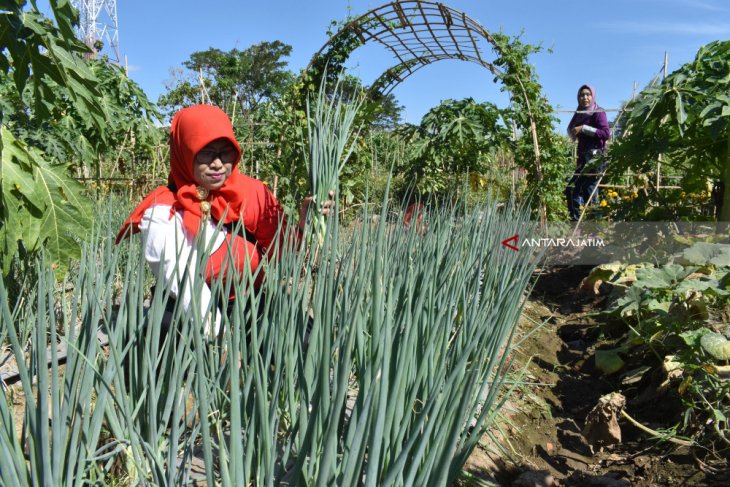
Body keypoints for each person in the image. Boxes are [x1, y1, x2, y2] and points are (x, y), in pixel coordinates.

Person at [117, 104, 326, 335]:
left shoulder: (252, 193)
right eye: (206, 152)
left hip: (249, 303)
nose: (217, 163)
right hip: (186, 310)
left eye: (225, 151)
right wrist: (221, 341)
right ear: (185, 151)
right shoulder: (164, 210)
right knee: (180, 363)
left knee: (306, 343)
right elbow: (182, 282)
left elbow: (285, 254)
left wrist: (305, 226)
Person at [565, 84, 611, 221]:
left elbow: (606, 133)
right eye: (581, 95)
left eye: (588, 94)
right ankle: (582, 224)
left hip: (594, 159)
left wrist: (584, 128)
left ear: (593, 96)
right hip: (583, 159)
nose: (585, 97)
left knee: (585, 190)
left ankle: (592, 227)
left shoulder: (598, 112)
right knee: (577, 189)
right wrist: (573, 133)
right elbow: (570, 129)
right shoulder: (579, 113)